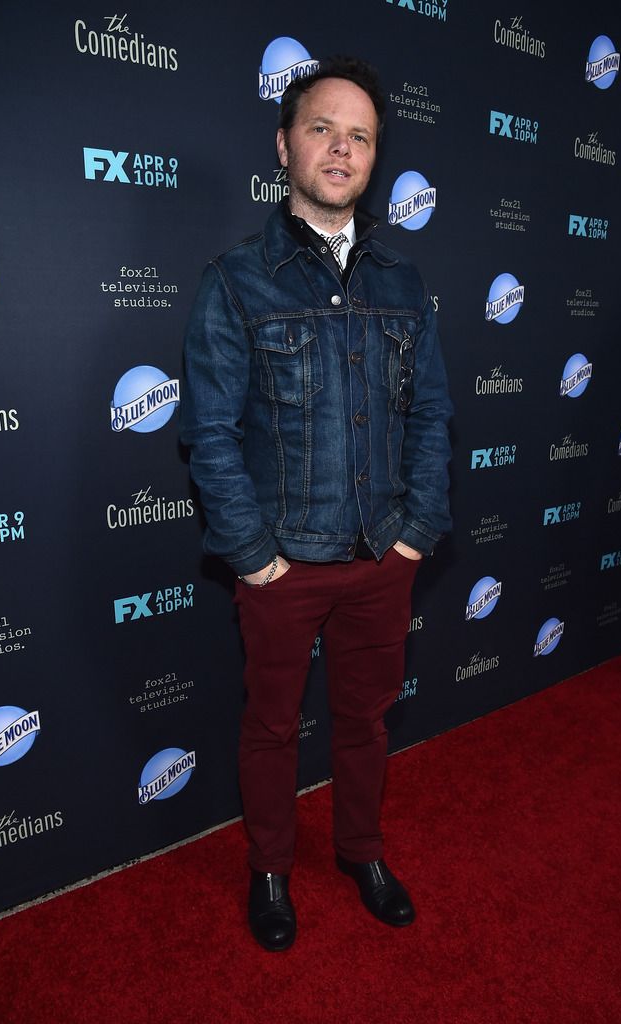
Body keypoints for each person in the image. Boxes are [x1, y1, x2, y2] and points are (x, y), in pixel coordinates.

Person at [180, 56, 452, 952]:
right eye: (322, 128)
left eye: (360, 136)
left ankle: (360, 852)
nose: (341, 148)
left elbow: (432, 413)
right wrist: (255, 555)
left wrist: (417, 532)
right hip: (282, 562)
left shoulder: (404, 284)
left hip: (383, 558)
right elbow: (208, 434)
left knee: (366, 722)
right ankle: (269, 869)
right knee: (268, 726)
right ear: (284, 146)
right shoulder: (236, 282)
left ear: (374, 158)